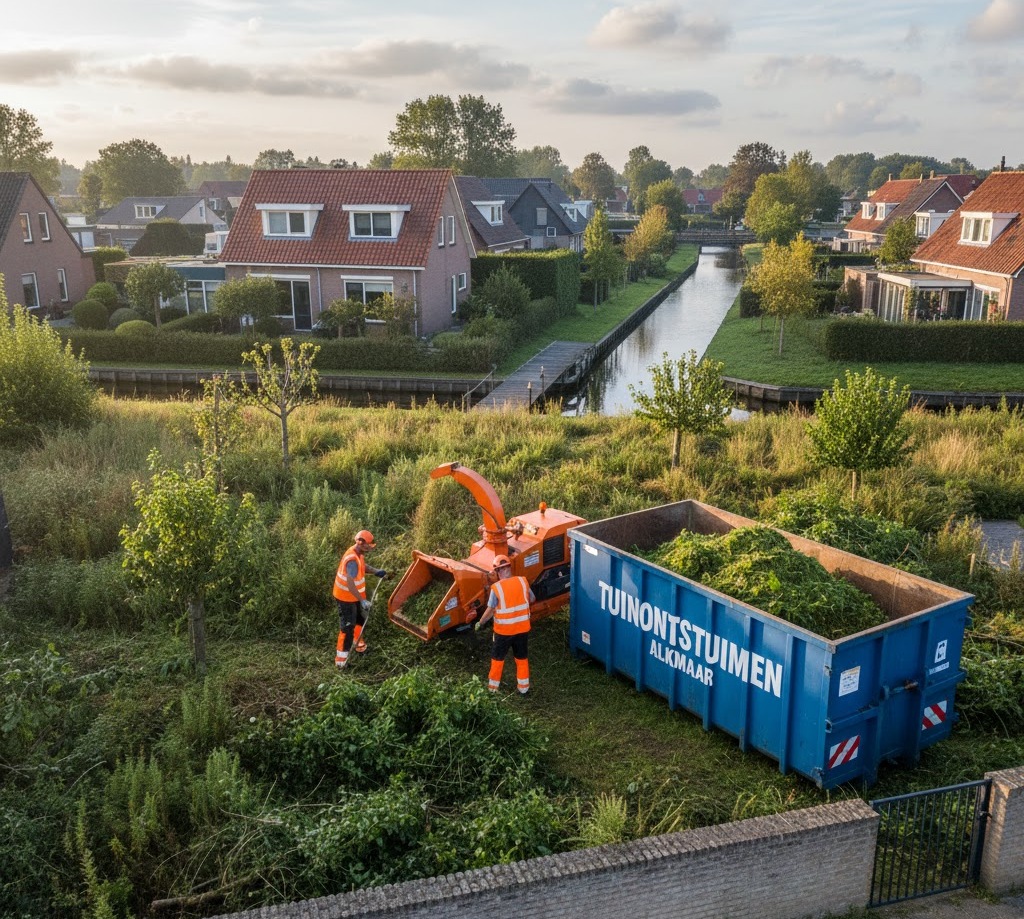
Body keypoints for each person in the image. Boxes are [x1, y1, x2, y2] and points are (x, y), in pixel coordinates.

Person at [475, 554, 535, 695]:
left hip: (504, 633)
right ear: (509, 567)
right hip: (522, 630)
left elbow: (490, 610)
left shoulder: (497, 588)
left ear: (497, 572)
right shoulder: (522, 582)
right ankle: (523, 689)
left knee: (498, 659)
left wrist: (480, 622)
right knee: (521, 658)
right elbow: (532, 598)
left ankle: (492, 689)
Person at [333, 529, 388, 669]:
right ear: (360, 542)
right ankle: (341, 661)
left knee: (359, 622)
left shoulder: (359, 554)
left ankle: (359, 647)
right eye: (368, 545)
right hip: (346, 598)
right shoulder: (351, 559)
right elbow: (351, 584)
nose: (370, 548)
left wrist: (376, 572)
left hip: (355, 598)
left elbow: (363, 567)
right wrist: (362, 600)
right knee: (348, 627)